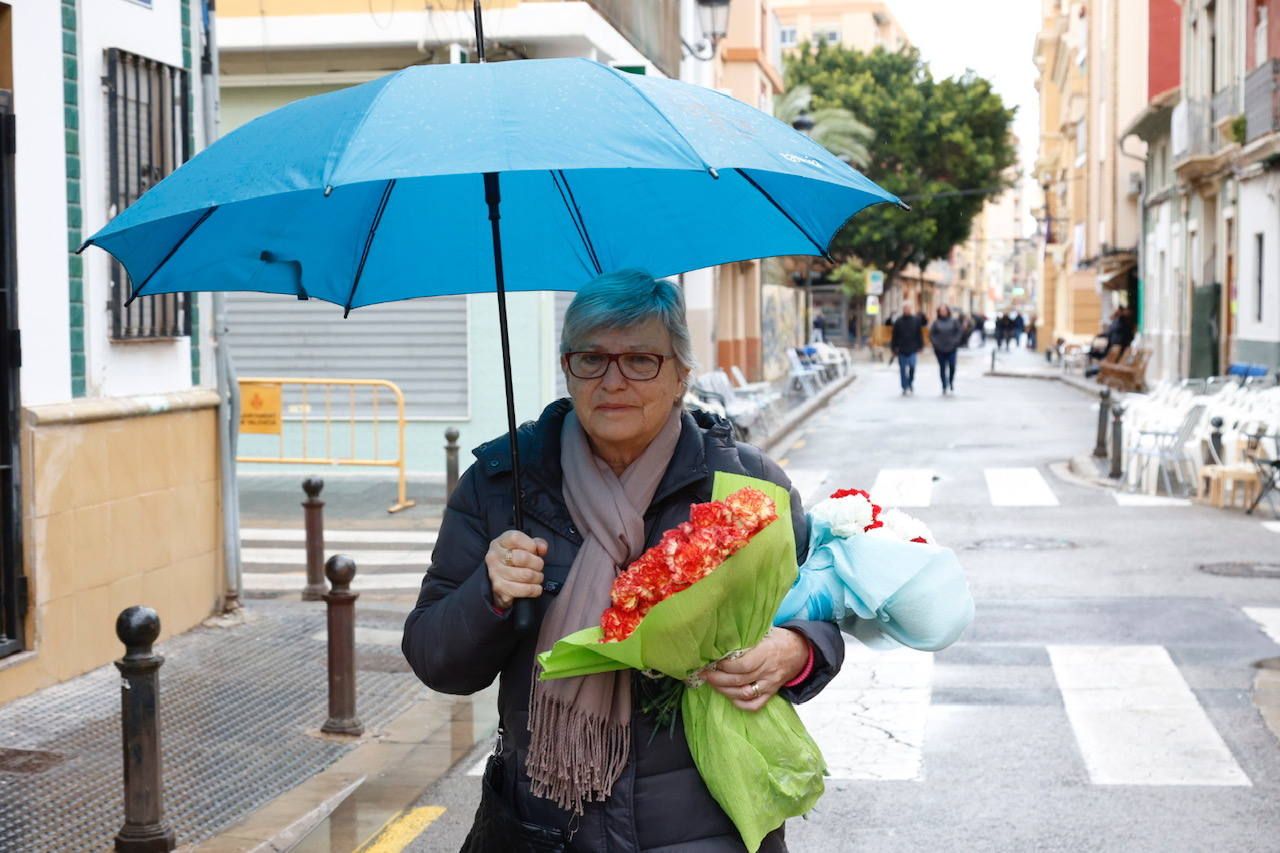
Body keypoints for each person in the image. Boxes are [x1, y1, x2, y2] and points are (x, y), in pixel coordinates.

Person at [402, 270, 843, 852]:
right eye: (592, 358)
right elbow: (437, 659)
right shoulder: (502, 486)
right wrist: (491, 593)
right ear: (567, 367)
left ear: (683, 374)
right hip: (542, 825)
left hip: (704, 824)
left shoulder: (744, 484)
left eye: (641, 360)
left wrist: (797, 650)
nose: (613, 381)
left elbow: (819, 614)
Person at [891, 302, 925, 395]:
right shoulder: (898, 321)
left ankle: (910, 382)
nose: (907, 310)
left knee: (912, 367)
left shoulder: (916, 320)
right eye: (905, 308)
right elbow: (894, 336)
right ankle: (904, 386)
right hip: (901, 348)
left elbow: (919, 334)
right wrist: (893, 348)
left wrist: (921, 346)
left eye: (908, 308)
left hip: (913, 348)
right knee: (902, 368)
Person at [930, 305, 963, 394]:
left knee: (952, 366)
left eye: (944, 310)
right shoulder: (936, 323)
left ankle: (951, 381)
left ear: (948, 311)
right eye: (941, 311)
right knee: (942, 367)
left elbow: (959, 331)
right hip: (940, 349)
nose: (943, 312)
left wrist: (956, 342)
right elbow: (932, 334)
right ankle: (944, 385)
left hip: (952, 348)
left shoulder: (954, 321)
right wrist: (935, 344)